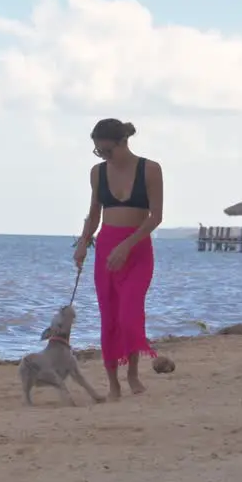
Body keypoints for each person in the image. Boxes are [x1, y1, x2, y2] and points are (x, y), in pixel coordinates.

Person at [73, 118, 164, 400]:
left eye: (107, 151)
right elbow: (95, 213)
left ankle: (133, 374)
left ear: (124, 142)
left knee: (129, 313)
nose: (104, 157)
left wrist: (127, 245)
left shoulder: (149, 169)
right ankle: (113, 383)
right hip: (106, 250)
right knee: (110, 318)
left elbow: (156, 217)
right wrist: (83, 243)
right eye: (99, 152)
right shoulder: (97, 173)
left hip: (136, 249)